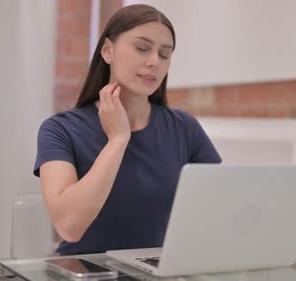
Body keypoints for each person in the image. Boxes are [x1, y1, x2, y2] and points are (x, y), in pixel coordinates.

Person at [34, 4, 221, 255]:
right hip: (83, 272)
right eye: (142, 48)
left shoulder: (184, 127)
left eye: (164, 55)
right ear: (108, 50)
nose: (154, 62)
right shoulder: (60, 129)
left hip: (157, 272)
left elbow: (220, 207)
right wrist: (118, 140)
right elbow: (69, 226)